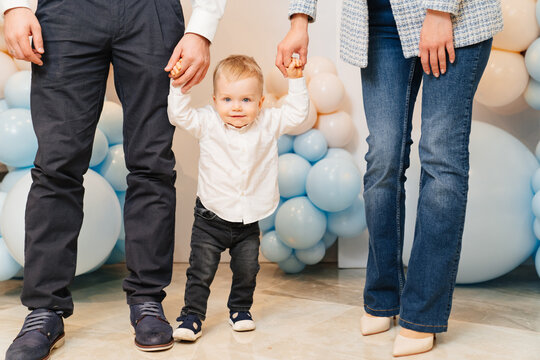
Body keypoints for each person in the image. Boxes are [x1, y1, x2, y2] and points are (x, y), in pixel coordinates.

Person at [277, 0, 502, 357]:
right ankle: (383, 296)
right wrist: (299, 20)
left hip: (454, 16)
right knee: (383, 157)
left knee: (440, 156)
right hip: (379, 19)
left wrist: (441, 11)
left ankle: (422, 314)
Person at [1, 0, 226, 357]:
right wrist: (13, 6)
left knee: (152, 163)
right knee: (57, 165)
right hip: (67, 12)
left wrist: (202, 28)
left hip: (150, 12)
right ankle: (44, 310)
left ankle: (148, 300)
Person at [167, 54, 308, 341]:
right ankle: (192, 315)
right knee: (200, 270)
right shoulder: (207, 121)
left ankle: (240, 309)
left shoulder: (268, 122)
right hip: (210, 217)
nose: (236, 107)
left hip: (248, 220)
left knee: (248, 269)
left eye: (246, 100)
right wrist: (178, 85)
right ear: (215, 100)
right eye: (228, 99)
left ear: (261, 101)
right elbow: (178, 115)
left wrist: (296, 81)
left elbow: (296, 114)